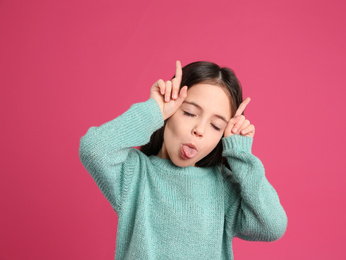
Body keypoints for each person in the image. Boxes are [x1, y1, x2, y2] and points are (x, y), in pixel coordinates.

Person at [79, 61, 287, 260]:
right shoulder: (136, 174)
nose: (200, 130)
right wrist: (154, 110)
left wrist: (241, 154)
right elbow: (94, 149)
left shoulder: (222, 186)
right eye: (189, 113)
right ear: (170, 112)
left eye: (216, 126)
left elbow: (272, 226)